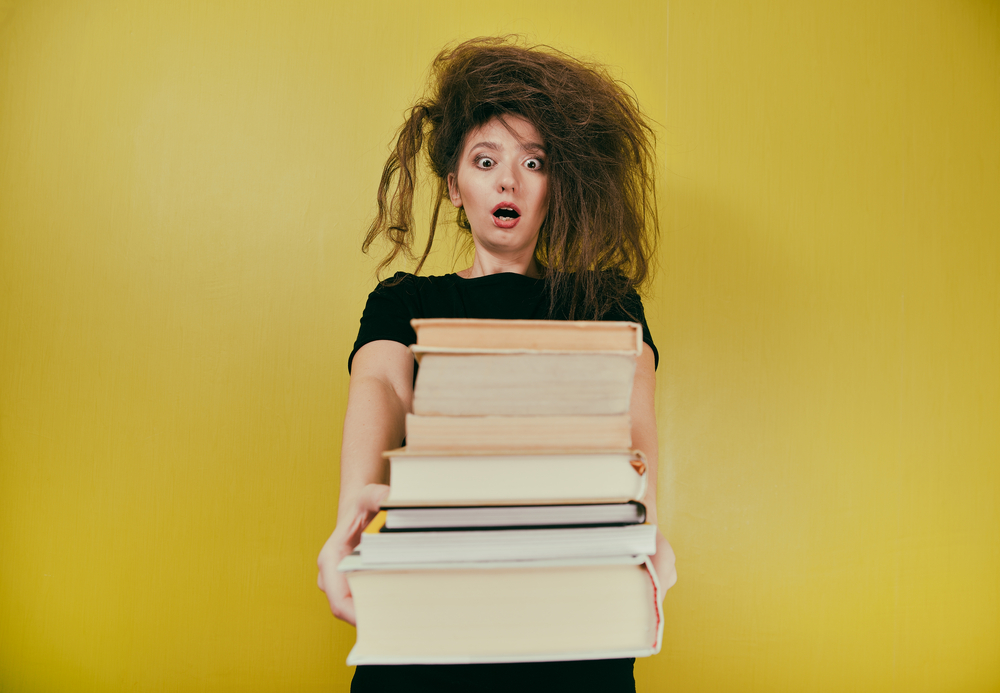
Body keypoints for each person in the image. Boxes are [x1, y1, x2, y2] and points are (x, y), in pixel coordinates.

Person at [317, 36, 677, 692]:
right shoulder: (404, 302)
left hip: (576, 609)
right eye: (486, 161)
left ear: (555, 187)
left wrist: (645, 530)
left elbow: (632, 425)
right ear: (455, 187)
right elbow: (381, 385)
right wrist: (348, 522)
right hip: (431, 607)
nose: (509, 180)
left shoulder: (607, 302)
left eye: (533, 162)